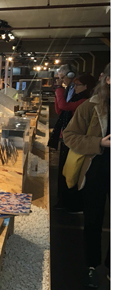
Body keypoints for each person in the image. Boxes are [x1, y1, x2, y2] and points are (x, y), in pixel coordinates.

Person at [63, 63, 110, 288]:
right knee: (93, 219)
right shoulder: (90, 106)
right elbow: (69, 136)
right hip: (96, 170)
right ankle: (92, 264)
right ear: (107, 79)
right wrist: (99, 142)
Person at [54, 73, 97, 211]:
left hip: (75, 141)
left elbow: (64, 106)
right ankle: (64, 201)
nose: (75, 88)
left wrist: (59, 90)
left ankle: (72, 204)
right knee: (65, 170)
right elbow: (60, 109)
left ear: (86, 86)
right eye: (74, 85)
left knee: (71, 171)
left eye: (78, 85)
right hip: (68, 137)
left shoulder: (85, 101)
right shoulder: (76, 98)